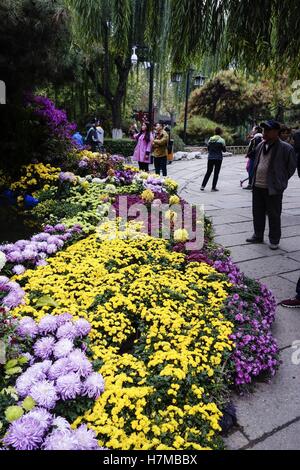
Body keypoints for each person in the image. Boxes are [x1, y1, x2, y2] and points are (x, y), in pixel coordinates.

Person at [246, 120, 297, 250]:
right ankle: (258, 235)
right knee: (257, 212)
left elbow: (291, 168)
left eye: (268, 130)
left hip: (273, 188)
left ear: (276, 132)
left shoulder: (286, 148)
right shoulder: (261, 145)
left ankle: (274, 239)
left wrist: (280, 182)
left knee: (274, 214)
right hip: (257, 186)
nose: (265, 133)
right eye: (264, 130)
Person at [201, 127, 226, 192]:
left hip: (210, 158)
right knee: (216, 173)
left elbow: (208, 149)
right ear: (220, 132)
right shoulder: (222, 140)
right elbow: (224, 150)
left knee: (208, 171)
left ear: (215, 132)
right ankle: (213, 187)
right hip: (218, 158)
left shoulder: (210, 139)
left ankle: (202, 186)